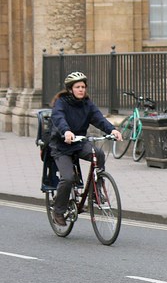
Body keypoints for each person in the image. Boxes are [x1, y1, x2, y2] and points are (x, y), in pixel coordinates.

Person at [49, 71, 122, 226]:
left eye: (83, 86)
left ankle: (97, 190)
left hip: (79, 143)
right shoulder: (61, 102)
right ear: (70, 89)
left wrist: (112, 130)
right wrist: (66, 131)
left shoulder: (87, 103)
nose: (81, 89)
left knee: (99, 154)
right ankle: (58, 210)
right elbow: (58, 118)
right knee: (68, 178)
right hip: (61, 146)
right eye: (77, 87)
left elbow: (99, 119)